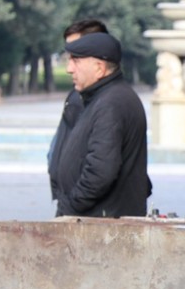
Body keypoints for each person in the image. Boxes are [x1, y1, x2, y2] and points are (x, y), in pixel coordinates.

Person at [51, 32, 151, 218]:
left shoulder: (111, 103)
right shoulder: (103, 98)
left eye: (76, 61)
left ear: (99, 68)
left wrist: (71, 207)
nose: (69, 69)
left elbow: (101, 172)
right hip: (96, 219)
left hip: (101, 224)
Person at [48, 19, 108, 202]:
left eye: (76, 56)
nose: (69, 67)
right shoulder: (79, 96)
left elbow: (100, 166)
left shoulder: (104, 102)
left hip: (80, 205)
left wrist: (74, 202)